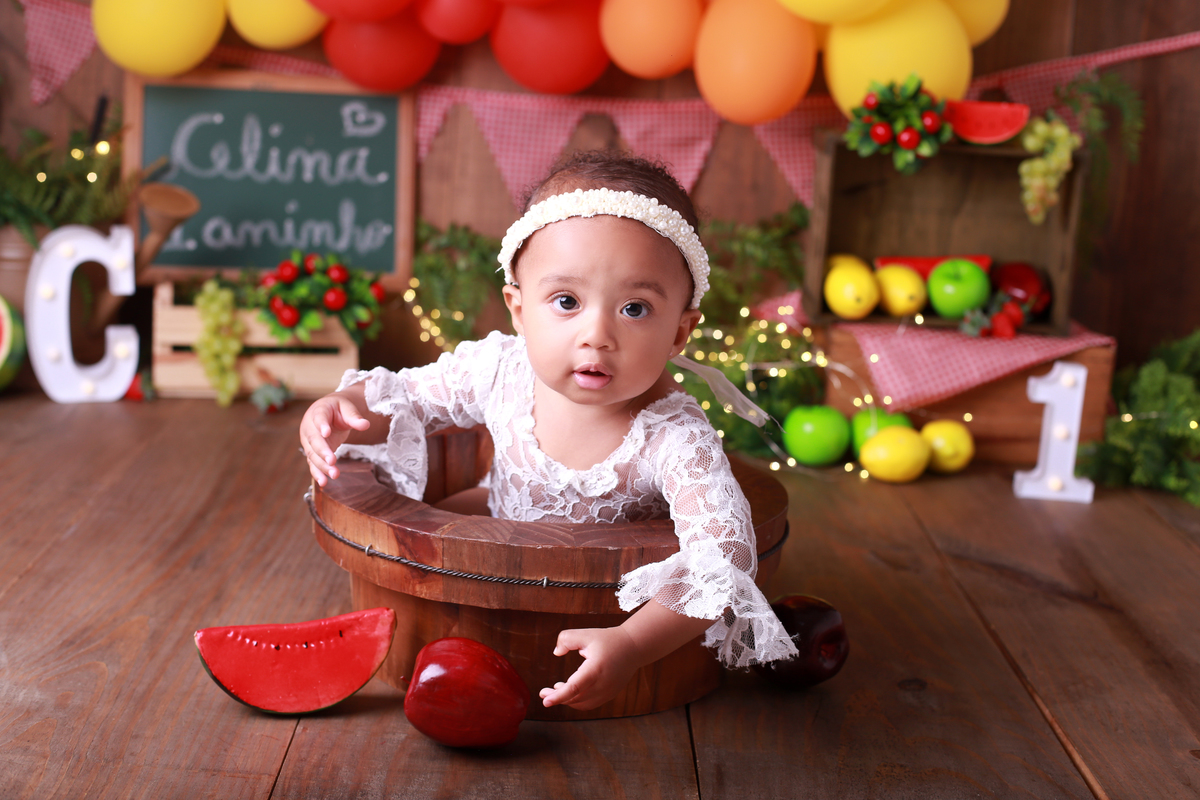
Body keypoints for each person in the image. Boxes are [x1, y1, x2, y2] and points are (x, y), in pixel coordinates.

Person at [299, 151, 797, 711]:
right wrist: (344, 403)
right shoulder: (501, 370)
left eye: (635, 309)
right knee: (447, 528)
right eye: (566, 302)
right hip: (494, 547)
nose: (597, 334)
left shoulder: (673, 437)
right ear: (517, 307)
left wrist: (632, 642)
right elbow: (409, 396)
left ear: (681, 331)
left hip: (601, 599)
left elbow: (724, 554)